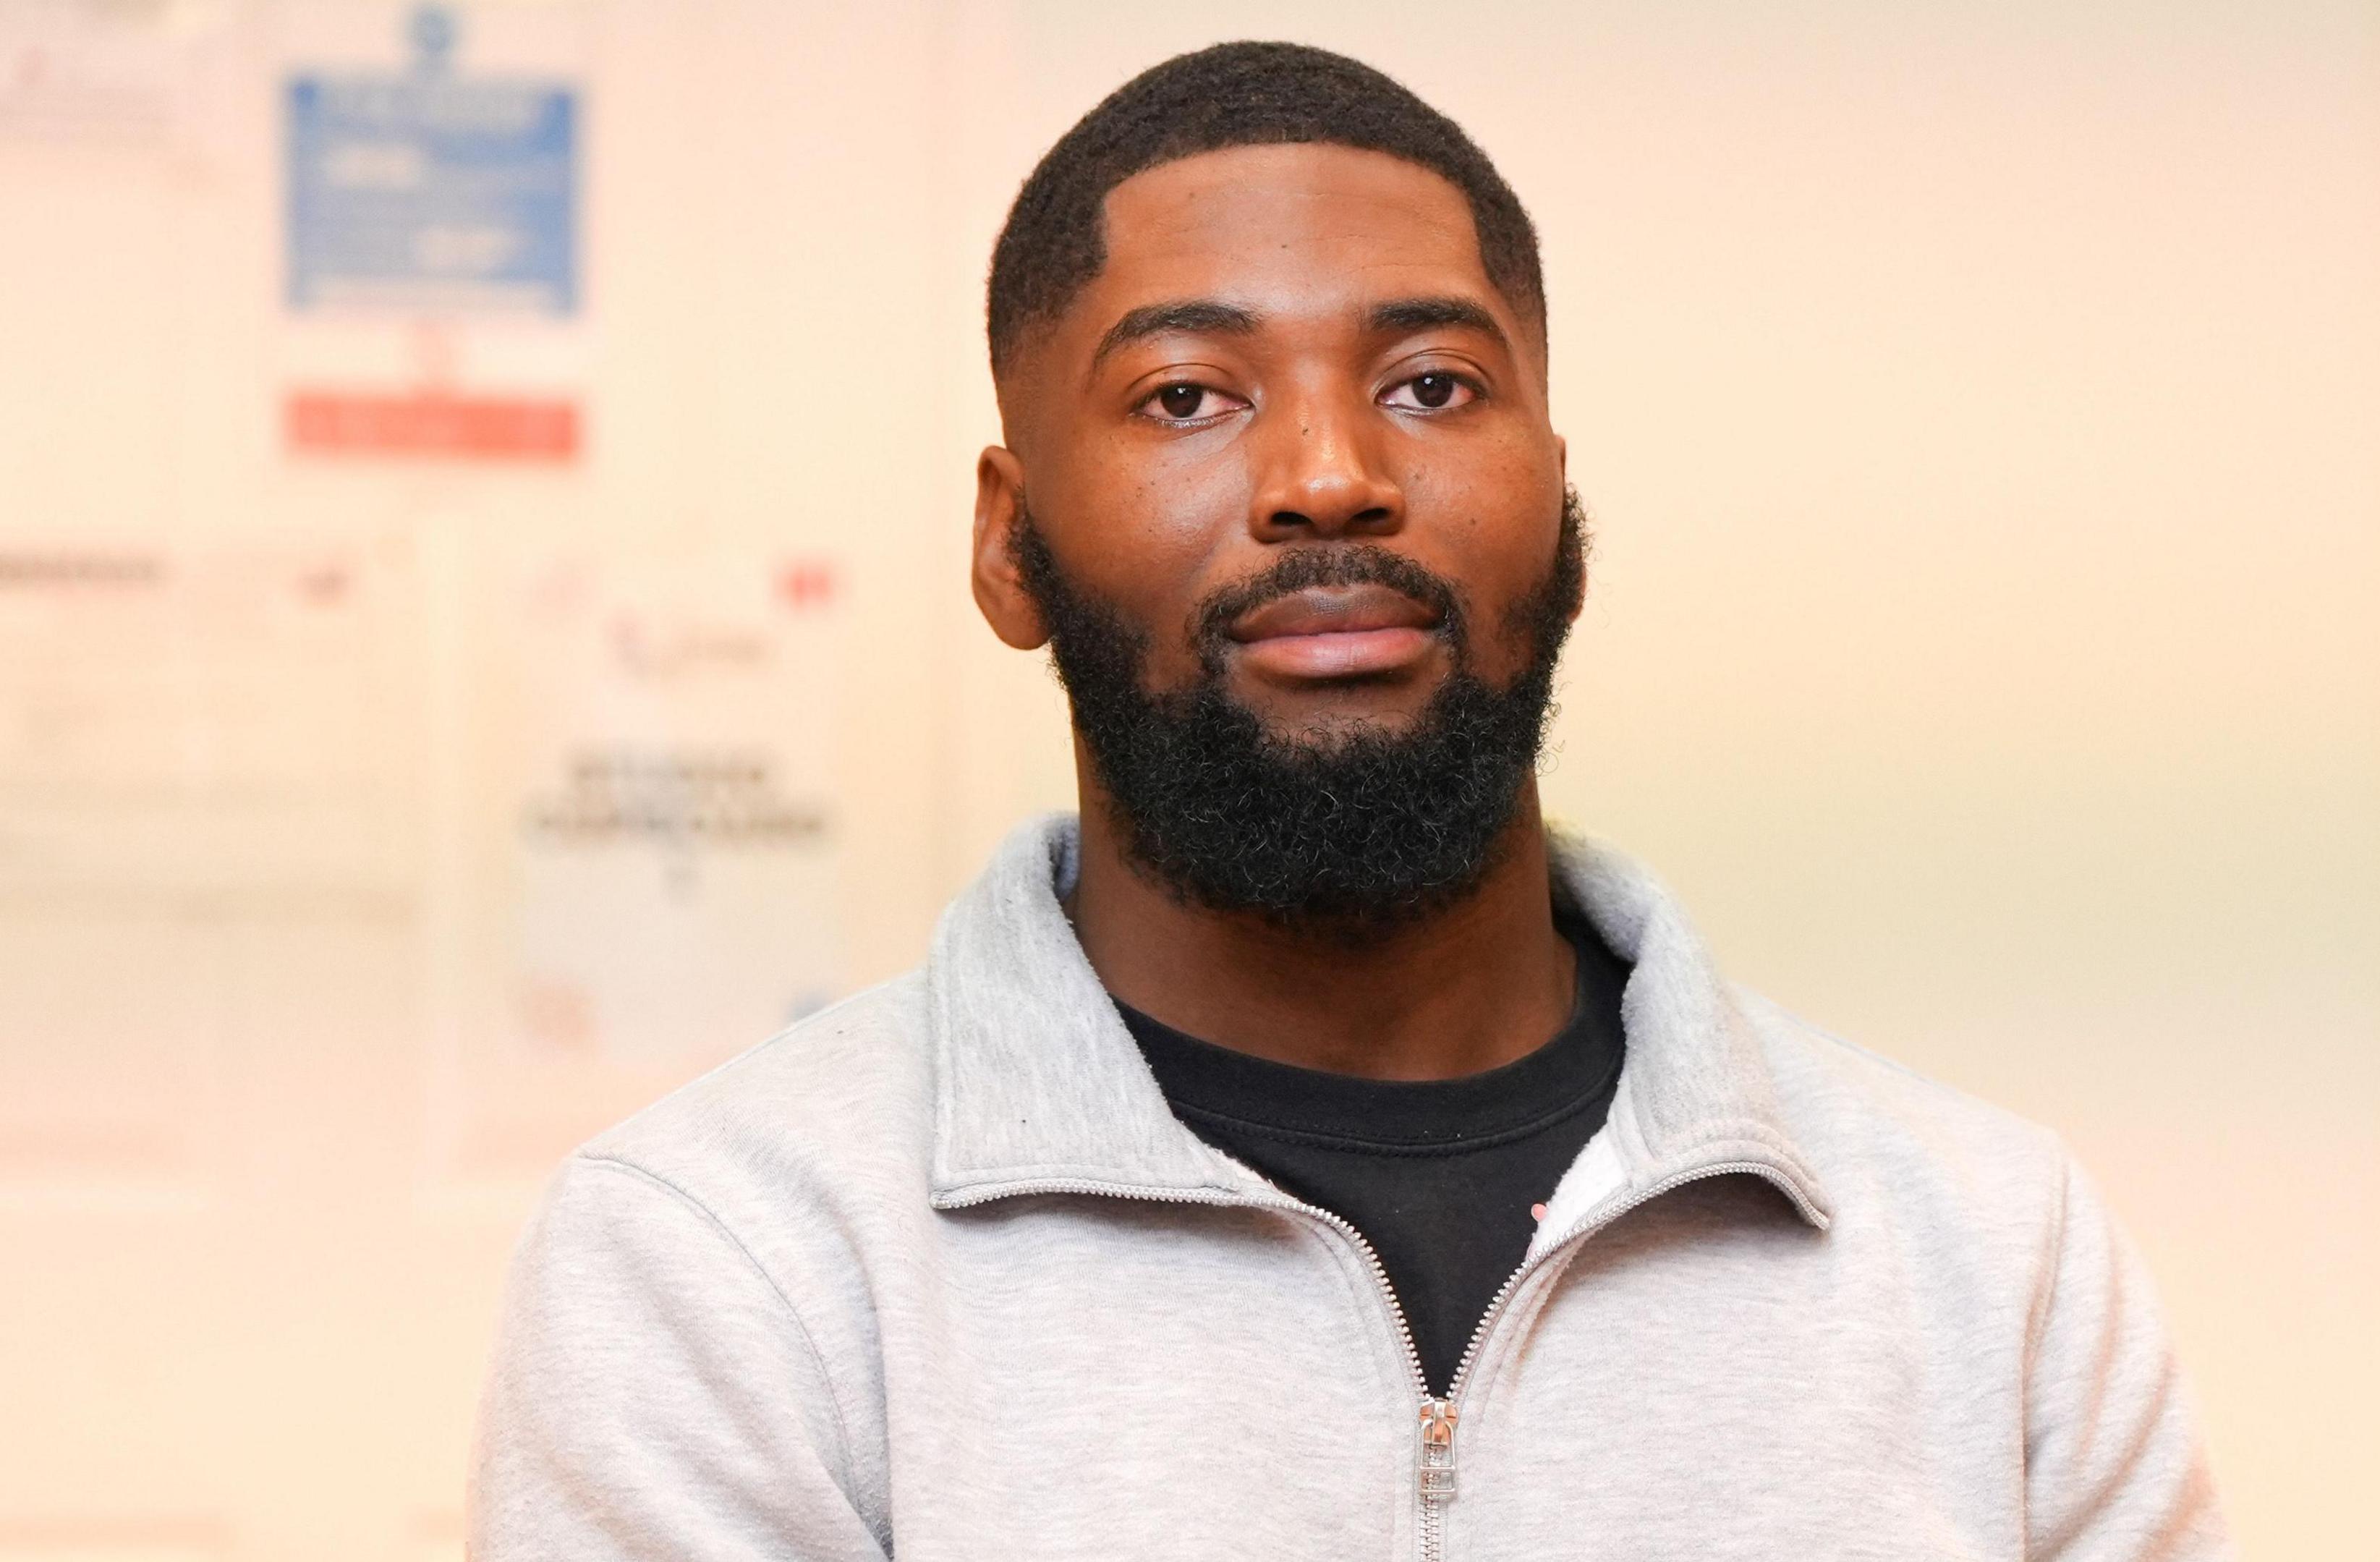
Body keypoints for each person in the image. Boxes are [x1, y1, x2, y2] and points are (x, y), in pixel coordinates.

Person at [469, 41, 2230, 1561]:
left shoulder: (1991, 1260)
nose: (1331, 477)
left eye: (1431, 387)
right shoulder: (729, 1265)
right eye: (1187, 395)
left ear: (1560, 501)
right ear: (1009, 544)